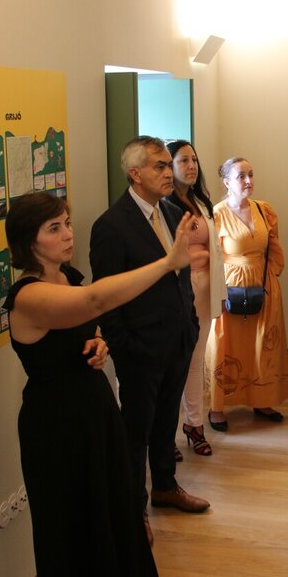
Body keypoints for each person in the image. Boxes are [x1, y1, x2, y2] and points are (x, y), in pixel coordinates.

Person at [6, 192, 199, 577]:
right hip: (55, 422)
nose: (68, 234)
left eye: (66, 223)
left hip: (94, 408)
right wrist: (168, 262)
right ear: (28, 242)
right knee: (72, 517)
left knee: (116, 501)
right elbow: (94, 302)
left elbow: (88, 322)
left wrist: (99, 342)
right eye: (54, 228)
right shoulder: (28, 296)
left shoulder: (67, 276)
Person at [90, 136, 210, 519]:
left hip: (178, 339)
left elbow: (180, 277)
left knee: (166, 423)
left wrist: (190, 325)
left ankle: (164, 487)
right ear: (135, 173)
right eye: (159, 166)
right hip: (140, 349)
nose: (168, 172)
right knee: (136, 433)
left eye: (167, 164)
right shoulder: (111, 226)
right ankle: (133, 510)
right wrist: (126, 347)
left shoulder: (172, 213)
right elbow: (106, 296)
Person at [205, 157, 288, 429]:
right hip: (230, 285)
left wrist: (272, 276)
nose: (248, 181)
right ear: (227, 182)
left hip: (263, 284)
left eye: (251, 174)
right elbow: (211, 256)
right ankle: (217, 407)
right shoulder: (216, 214)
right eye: (241, 176)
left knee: (262, 342)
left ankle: (261, 399)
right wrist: (217, 289)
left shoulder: (264, 210)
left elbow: (274, 247)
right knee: (226, 344)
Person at [163, 140, 226, 457]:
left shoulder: (200, 201)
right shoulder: (165, 206)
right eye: (183, 161)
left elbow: (216, 251)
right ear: (169, 166)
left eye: (194, 160)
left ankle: (194, 424)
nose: (191, 166)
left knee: (196, 360)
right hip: (178, 291)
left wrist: (221, 292)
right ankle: (166, 435)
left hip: (204, 289)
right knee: (174, 363)